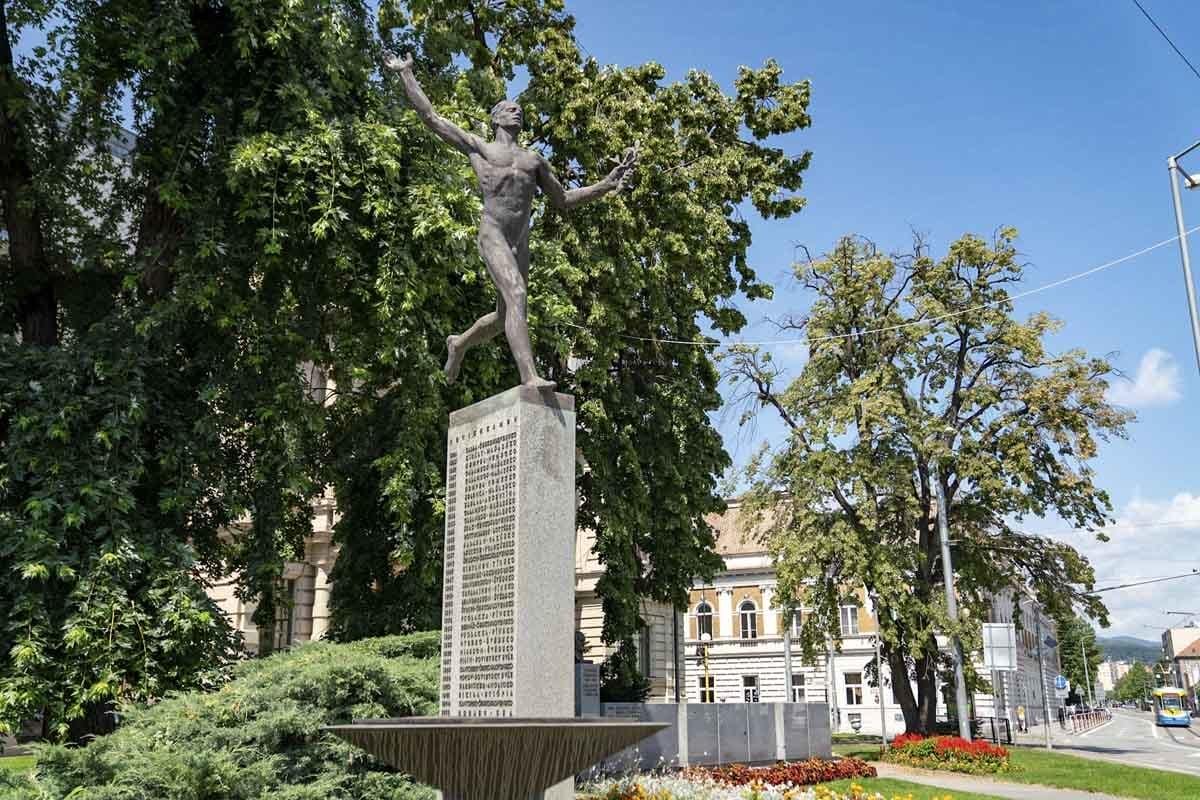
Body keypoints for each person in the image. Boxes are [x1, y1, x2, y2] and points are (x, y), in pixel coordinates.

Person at [384, 52, 637, 389]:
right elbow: (431, 117)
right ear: (495, 119)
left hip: (521, 241)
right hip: (493, 232)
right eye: (508, 108)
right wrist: (406, 74)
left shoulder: (534, 161)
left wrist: (605, 185)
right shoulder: (480, 148)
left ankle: (458, 343)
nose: (516, 110)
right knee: (517, 294)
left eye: (519, 109)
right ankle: (529, 376)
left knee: (506, 316)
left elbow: (563, 200)